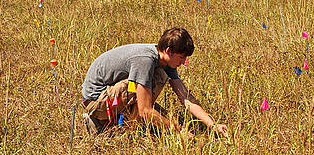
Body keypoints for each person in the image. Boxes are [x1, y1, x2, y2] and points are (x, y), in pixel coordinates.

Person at [81, 27, 228, 137]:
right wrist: (180, 131)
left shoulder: (165, 62)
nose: (184, 62)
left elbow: (186, 98)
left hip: (111, 94)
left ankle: (120, 123)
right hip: (96, 101)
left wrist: (212, 124)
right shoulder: (145, 60)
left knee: (158, 80)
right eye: (182, 57)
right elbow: (145, 110)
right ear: (169, 50)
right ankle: (116, 128)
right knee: (158, 78)